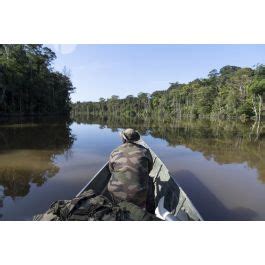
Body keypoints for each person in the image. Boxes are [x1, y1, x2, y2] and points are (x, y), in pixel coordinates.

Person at [107, 128, 154, 211]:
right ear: (136, 138)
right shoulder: (145, 151)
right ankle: (149, 213)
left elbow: (111, 170)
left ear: (124, 138)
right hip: (138, 195)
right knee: (150, 179)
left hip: (115, 193)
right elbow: (149, 170)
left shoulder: (114, 152)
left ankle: (116, 209)